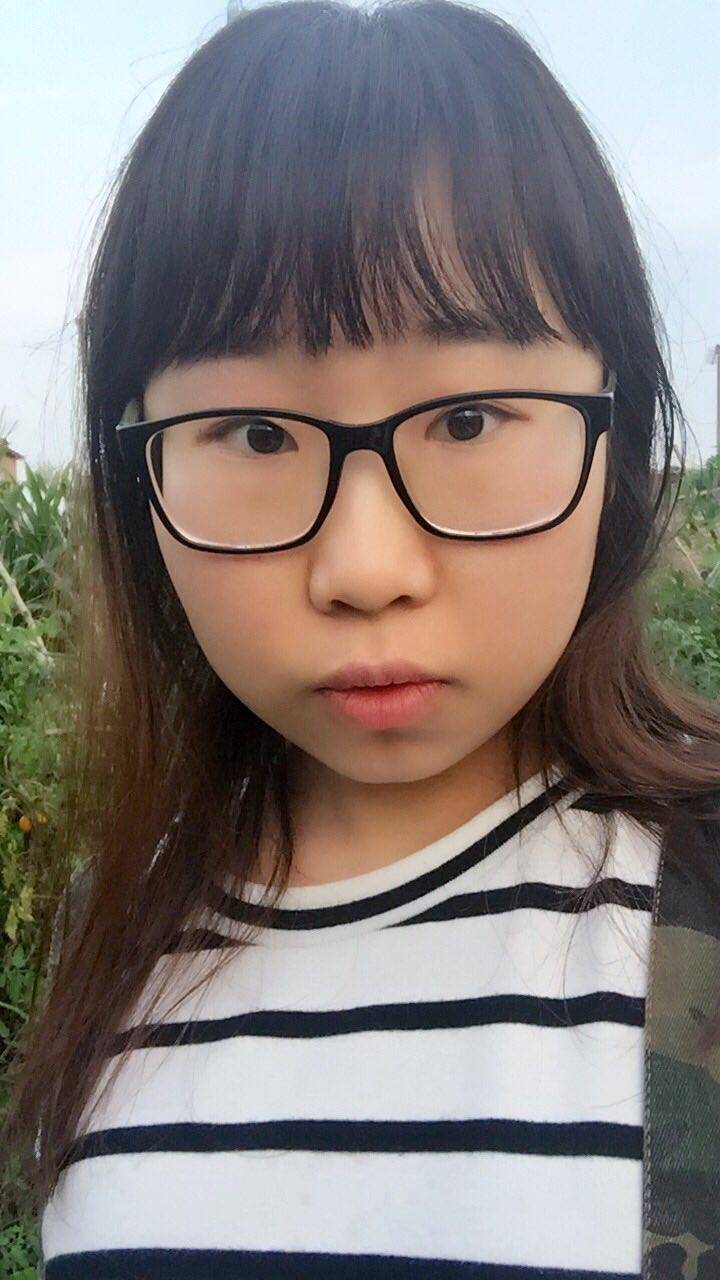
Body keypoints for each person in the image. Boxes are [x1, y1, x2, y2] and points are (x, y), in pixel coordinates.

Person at [3, 1, 719, 1276]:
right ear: (135, 477)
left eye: (470, 419)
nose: (365, 570)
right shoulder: (113, 928)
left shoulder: (698, 910)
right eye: (257, 434)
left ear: (616, 436)